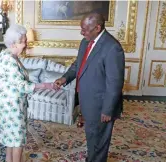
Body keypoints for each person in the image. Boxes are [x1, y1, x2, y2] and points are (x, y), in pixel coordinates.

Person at [54, 11, 125, 162]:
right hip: (87, 101)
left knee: (100, 141)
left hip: (101, 105)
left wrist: (108, 109)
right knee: (92, 136)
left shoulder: (112, 47)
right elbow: (78, 65)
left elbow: (115, 83)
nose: (81, 32)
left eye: (85, 29)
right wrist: (65, 78)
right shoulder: (85, 42)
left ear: (97, 28)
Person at [0, 24, 56, 162]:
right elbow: (22, 86)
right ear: (15, 43)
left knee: (11, 139)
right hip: (12, 107)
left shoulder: (6, 54)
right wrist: (46, 85)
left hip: (9, 104)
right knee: (17, 140)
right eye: (23, 41)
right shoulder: (9, 60)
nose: (26, 44)